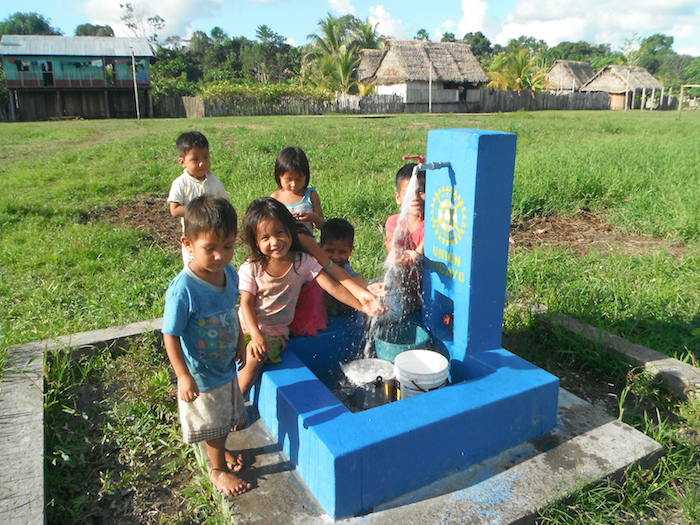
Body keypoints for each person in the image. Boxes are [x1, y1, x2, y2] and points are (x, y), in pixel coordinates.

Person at [162, 195, 251, 497]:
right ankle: (217, 471)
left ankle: (219, 449)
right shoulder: (184, 289)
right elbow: (170, 335)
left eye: (228, 247)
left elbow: (233, 311)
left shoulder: (229, 274)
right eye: (209, 249)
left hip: (225, 364)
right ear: (187, 244)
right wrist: (183, 376)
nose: (220, 256)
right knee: (213, 419)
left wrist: (240, 340)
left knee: (222, 418)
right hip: (201, 372)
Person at [237, 197, 369, 396]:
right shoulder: (252, 267)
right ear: (256, 242)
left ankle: (234, 408)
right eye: (265, 238)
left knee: (253, 359)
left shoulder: (302, 262)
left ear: (291, 230)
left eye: (280, 232)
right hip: (246, 326)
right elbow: (245, 304)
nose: (275, 242)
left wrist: (362, 306)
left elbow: (333, 286)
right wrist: (255, 335)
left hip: (274, 333)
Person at [167, 131, 229, 263]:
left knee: (215, 265)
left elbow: (224, 203)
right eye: (195, 159)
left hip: (214, 236)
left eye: (205, 157)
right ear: (182, 162)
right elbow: (175, 209)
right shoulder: (181, 183)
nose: (202, 163)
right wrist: (201, 211)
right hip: (193, 238)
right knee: (194, 268)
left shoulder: (214, 181)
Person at [320, 218, 368, 316]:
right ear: (319, 247)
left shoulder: (344, 267)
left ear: (351, 250)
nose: (336, 257)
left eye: (342, 252)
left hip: (344, 312)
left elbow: (355, 278)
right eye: (330, 251)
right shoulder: (314, 263)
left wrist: (367, 288)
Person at [270, 146, 324, 232]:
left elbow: (322, 225)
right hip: (284, 245)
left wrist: (313, 217)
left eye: (299, 179)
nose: (293, 184)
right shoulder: (275, 198)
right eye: (288, 180)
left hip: (306, 244)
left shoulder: (311, 195)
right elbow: (271, 225)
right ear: (279, 176)